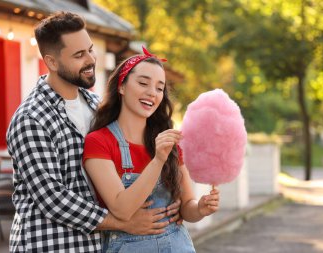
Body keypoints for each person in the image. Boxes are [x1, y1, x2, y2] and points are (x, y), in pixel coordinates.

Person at [6, 11, 181, 253]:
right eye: (79, 55)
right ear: (52, 62)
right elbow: (53, 199)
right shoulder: (31, 118)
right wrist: (124, 222)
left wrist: (174, 197)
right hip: (49, 245)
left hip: (95, 246)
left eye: (90, 49)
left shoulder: (95, 104)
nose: (90, 59)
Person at [83, 46, 220, 252]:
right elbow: (122, 210)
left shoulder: (168, 141)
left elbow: (186, 207)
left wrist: (200, 208)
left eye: (159, 88)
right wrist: (157, 161)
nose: (152, 93)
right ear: (121, 86)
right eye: (143, 83)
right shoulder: (99, 142)